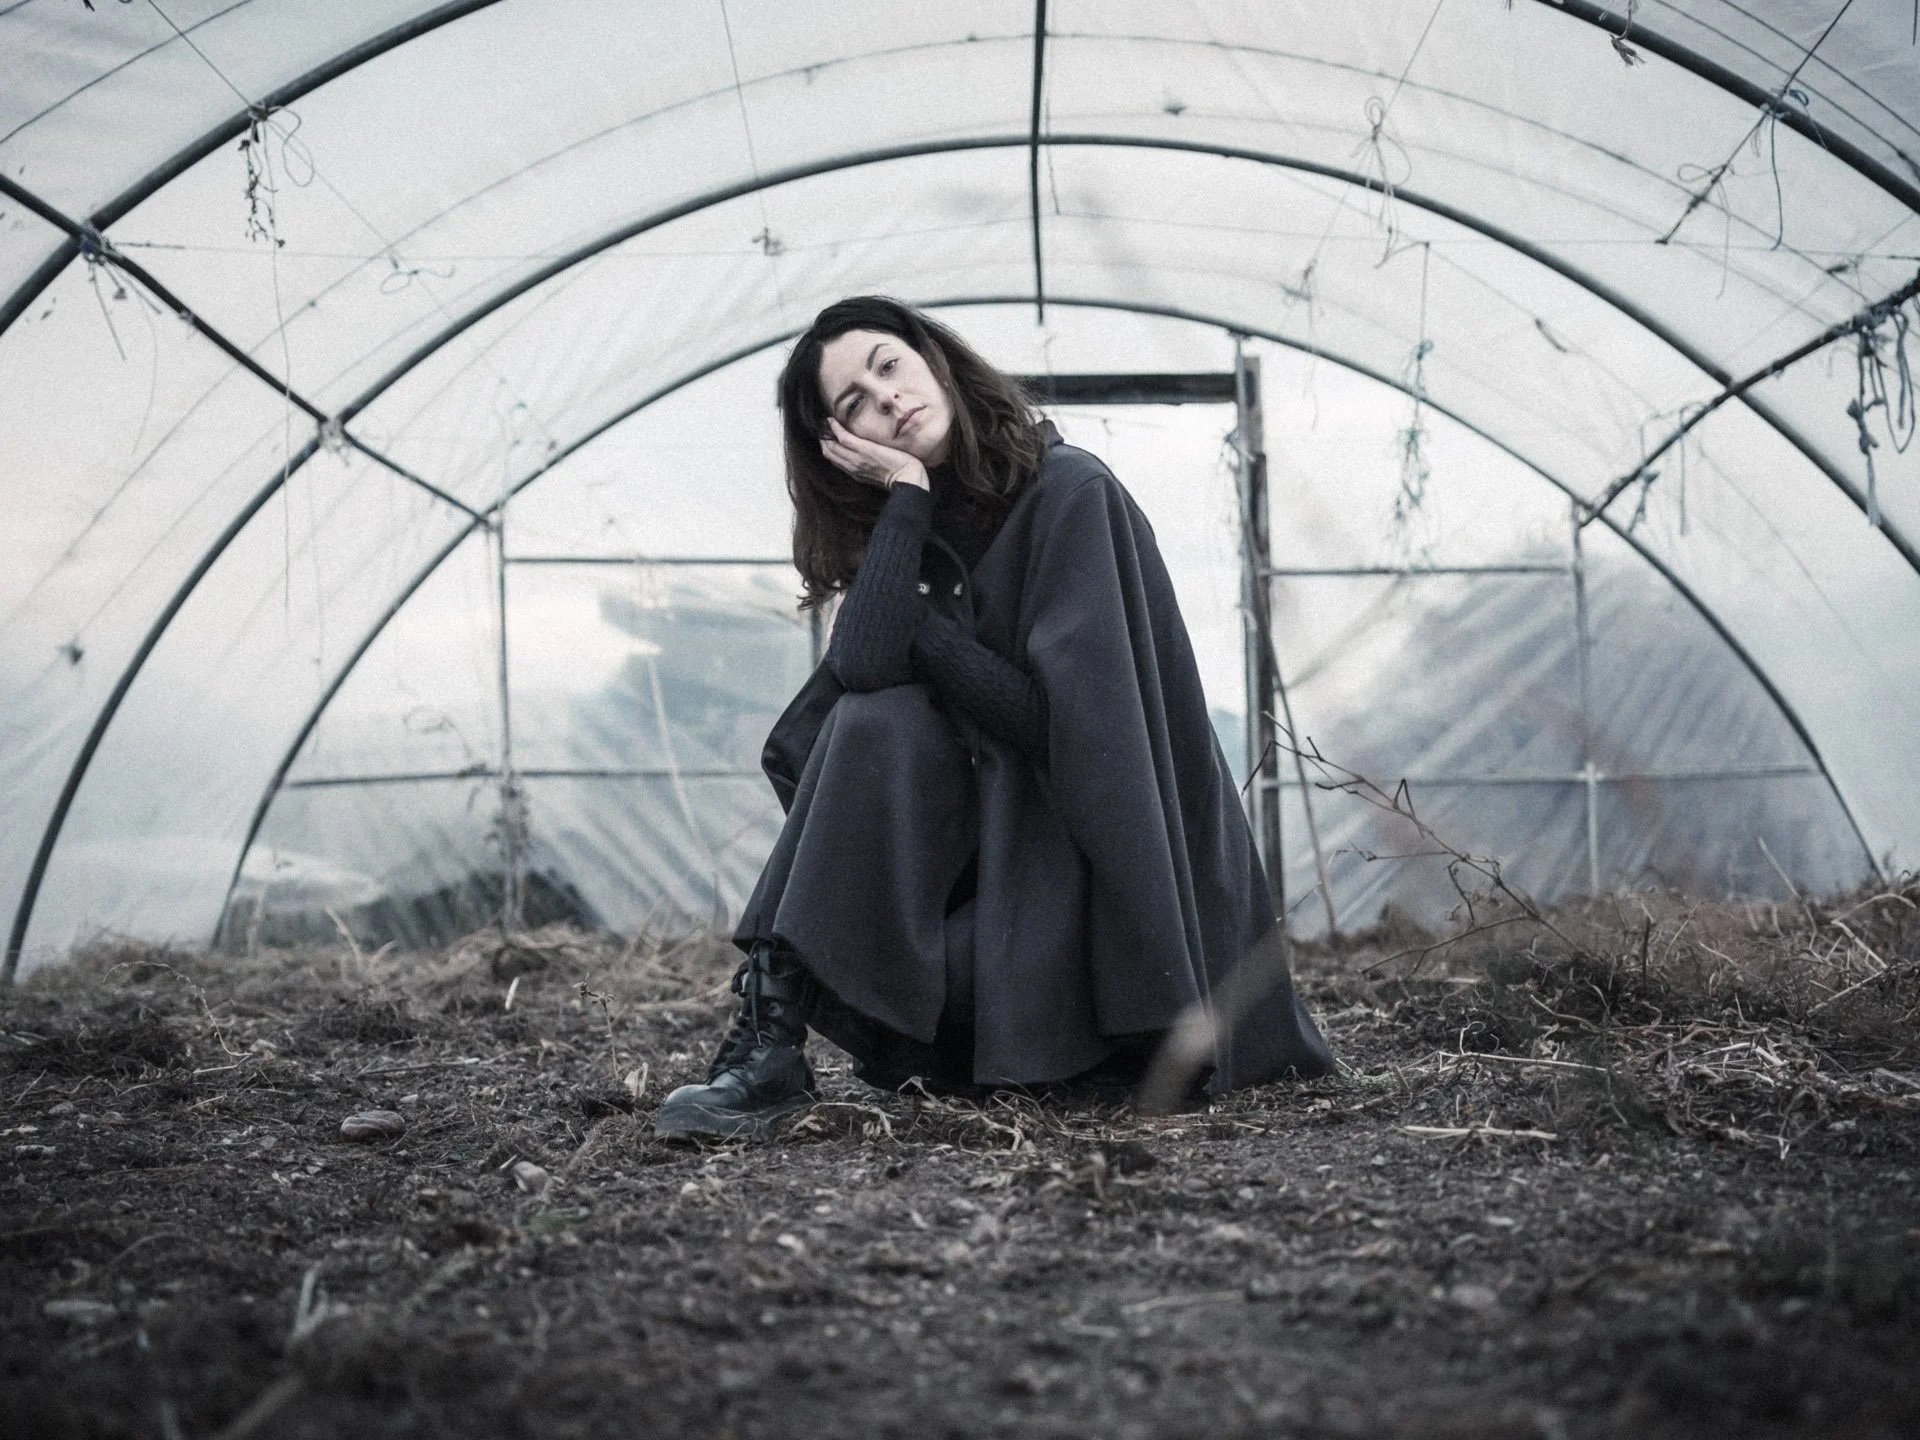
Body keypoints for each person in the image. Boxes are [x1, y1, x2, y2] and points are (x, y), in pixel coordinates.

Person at [655, 297, 1335, 1140]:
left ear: (934, 360)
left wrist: (928, 636)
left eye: (887, 364)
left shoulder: (1072, 493)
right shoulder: (918, 524)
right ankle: (771, 1044)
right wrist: (905, 498)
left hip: (1085, 901)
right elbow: (862, 672)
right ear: (845, 444)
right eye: (854, 403)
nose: (885, 398)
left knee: (885, 721)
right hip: (990, 884)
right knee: (878, 723)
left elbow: (1070, 734)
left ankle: (781, 1032)